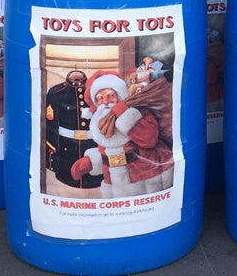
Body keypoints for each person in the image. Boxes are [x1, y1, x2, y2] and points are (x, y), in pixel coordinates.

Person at [70, 70, 174, 198]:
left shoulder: (137, 112)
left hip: (144, 179)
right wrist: (91, 161)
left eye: (111, 96)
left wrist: (123, 114)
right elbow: (107, 150)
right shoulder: (99, 120)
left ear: (120, 95)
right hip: (114, 183)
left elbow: (149, 140)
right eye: (100, 98)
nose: (106, 102)